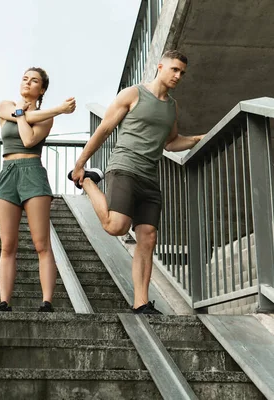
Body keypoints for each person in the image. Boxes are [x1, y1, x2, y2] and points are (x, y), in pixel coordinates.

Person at [68, 50, 204, 314]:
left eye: (182, 73)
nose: (178, 76)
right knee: (116, 226)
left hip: (149, 177)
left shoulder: (171, 107)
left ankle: (141, 302)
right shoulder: (133, 94)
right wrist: (80, 164)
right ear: (160, 66)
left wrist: (198, 139)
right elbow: (105, 128)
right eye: (174, 69)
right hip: (124, 168)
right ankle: (88, 182)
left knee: (148, 237)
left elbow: (171, 142)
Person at [0, 67, 76, 312]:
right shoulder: (4, 105)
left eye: (34, 81)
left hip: (32, 171)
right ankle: (4, 301)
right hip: (8, 172)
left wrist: (21, 116)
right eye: (25, 78)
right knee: (7, 244)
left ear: (42, 90)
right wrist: (58, 110)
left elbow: (29, 140)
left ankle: (47, 301)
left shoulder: (45, 117)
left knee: (41, 243)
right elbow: (19, 117)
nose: (27, 83)